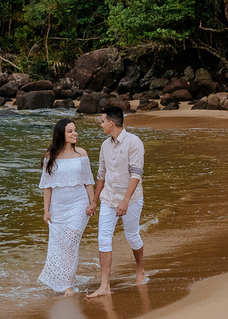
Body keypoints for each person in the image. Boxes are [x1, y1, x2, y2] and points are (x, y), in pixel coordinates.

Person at [87, 106, 146, 296]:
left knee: (132, 235)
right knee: (103, 238)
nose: (101, 124)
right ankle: (105, 286)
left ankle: (140, 269)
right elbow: (101, 174)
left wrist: (125, 201)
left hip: (131, 199)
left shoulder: (134, 143)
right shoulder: (104, 145)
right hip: (108, 199)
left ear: (111, 123)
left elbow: (136, 173)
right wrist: (95, 200)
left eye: (102, 121)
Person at [37, 118, 96, 296]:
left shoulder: (82, 154)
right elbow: (47, 186)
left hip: (79, 204)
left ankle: (67, 284)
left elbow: (88, 181)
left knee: (70, 241)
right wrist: (46, 211)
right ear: (61, 134)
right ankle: (65, 281)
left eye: (75, 130)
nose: (74, 133)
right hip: (58, 206)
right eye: (70, 131)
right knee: (60, 244)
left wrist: (93, 203)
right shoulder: (50, 156)